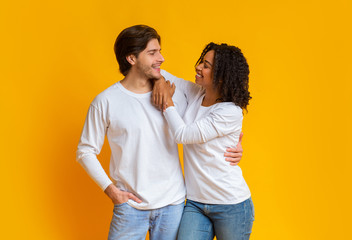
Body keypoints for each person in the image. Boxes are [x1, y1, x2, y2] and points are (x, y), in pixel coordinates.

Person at [76, 25, 243, 240]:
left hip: (172, 206)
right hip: (130, 207)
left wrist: (235, 144)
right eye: (152, 53)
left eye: (160, 51)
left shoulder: (178, 93)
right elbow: (85, 151)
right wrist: (111, 190)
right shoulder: (105, 102)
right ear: (131, 58)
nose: (161, 58)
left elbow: (222, 104)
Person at [155, 42, 254, 240]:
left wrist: (167, 102)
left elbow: (182, 135)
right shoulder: (197, 93)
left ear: (222, 75)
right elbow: (165, 75)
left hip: (231, 204)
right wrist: (158, 80)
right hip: (195, 202)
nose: (198, 67)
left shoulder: (229, 111)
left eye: (206, 65)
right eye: (202, 62)